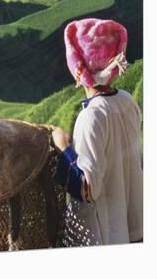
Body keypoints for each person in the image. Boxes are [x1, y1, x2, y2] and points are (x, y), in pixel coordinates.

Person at [51, 18, 143, 246]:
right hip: (136, 223)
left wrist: (63, 148)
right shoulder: (127, 101)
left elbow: (87, 190)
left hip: (109, 233)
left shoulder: (90, 117)